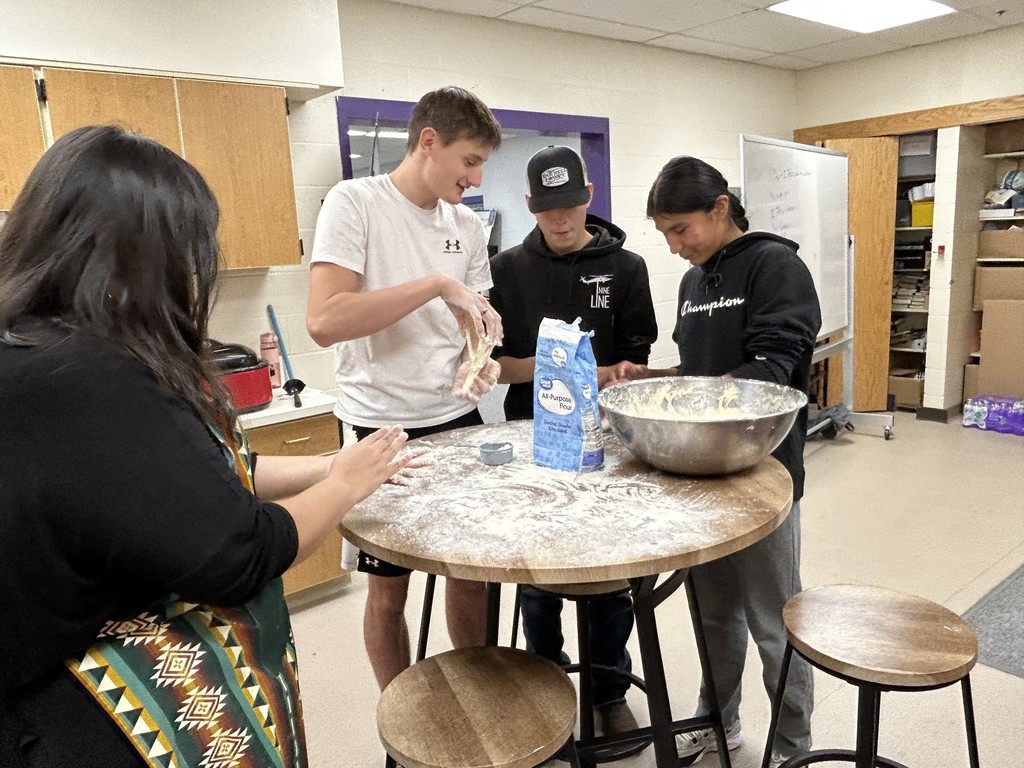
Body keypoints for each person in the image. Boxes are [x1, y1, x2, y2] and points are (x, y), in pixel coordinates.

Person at [0, 125, 410, 768]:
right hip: (88, 712)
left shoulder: (29, 346)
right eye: (183, 253)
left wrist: (330, 462)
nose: (191, 273)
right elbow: (240, 551)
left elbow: (200, 480)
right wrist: (344, 484)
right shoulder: (88, 378)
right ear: (119, 248)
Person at [610, 156, 821, 768]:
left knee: (774, 623)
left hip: (762, 478)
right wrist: (651, 378)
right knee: (713, 615)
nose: (675, 247)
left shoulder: (775, 266)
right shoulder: (694, 282)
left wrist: (692, 400)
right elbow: (701, 376)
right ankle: (716, 722)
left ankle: (790, 749)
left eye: (681, 230)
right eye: (665, 234)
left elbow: (773, 372)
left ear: (719, 208)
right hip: (700, 478)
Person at [305, 86, 505, 692]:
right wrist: (434, 284)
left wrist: (481, 360)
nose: (474, 177)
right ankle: (403, 715)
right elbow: (325, 321)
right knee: (388, 592)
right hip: (382, 425)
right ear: (428, 142)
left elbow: (475, 321)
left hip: (454, 419)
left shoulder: (467, 225)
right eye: (468, 160)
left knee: (470, 574)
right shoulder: (355, 203)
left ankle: (479, 700)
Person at [488, 145, 658, 735]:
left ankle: (610, 689)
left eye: (571, 206)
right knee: (537, 572)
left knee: (610, 573)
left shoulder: (626, 267)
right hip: (533, 435)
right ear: (531, 205)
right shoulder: (506, 270)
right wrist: (561, 362)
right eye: (548, 209)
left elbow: (636, 359)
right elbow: (500, 365)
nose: (561, 221)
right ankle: (546, 678)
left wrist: (615, 372)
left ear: (588, 198)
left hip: (608, 440)